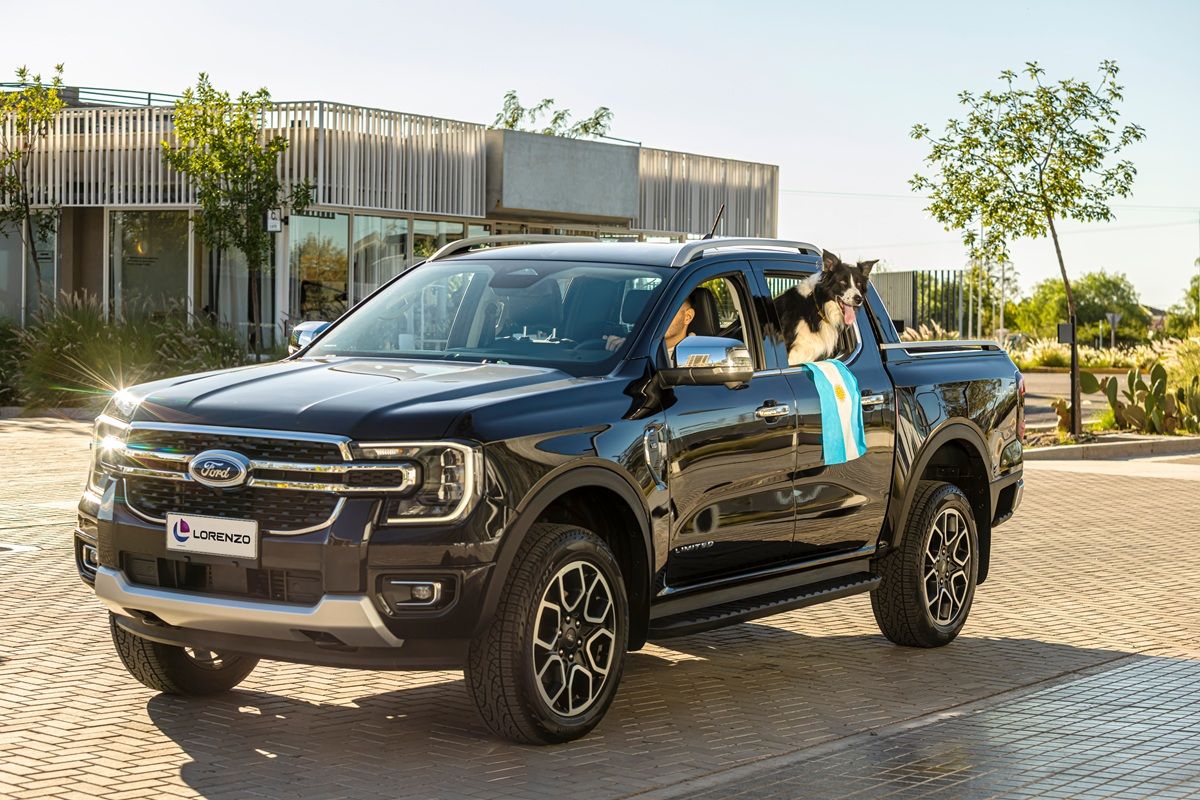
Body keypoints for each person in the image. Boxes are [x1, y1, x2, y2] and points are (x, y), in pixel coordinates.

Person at [604, 287, 703, 354]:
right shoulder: (630, 348)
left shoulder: (703, 356)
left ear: (687, 317)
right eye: (653, 309)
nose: (657, 316)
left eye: (666, 310)